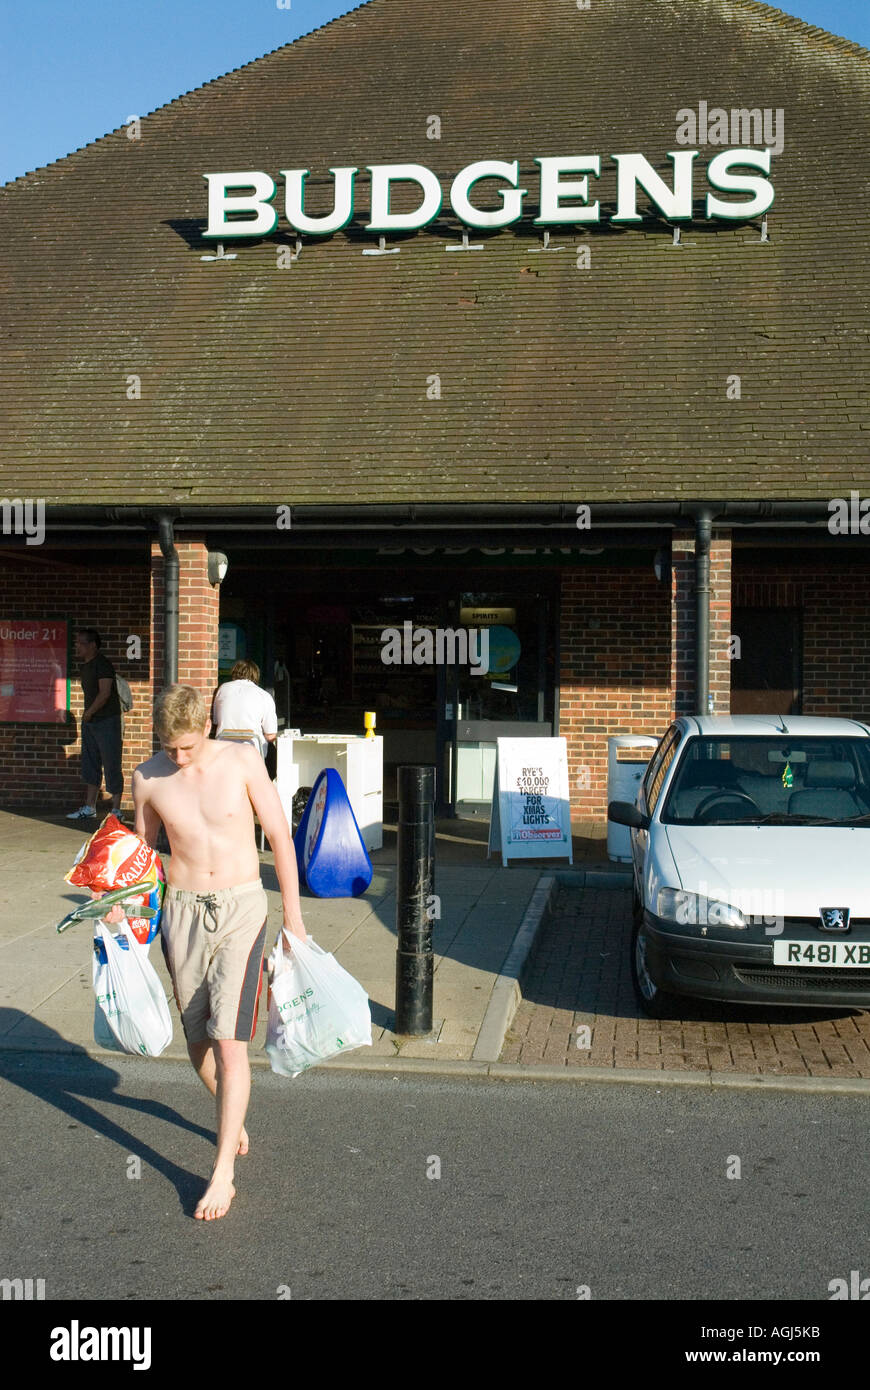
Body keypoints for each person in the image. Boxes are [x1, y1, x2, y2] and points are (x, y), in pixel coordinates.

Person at [131, 684, 306, 1222]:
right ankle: (232, 1114)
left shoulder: (243, 760)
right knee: (196, 1039)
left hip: (241, 911)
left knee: (231, 1042)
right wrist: (127, 916)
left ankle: (221, 1172)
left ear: (204, 728)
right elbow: (141, 854)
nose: (177, 758)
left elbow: (279, 836)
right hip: (182, 912)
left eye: (184, 747)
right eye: (167, 748)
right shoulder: (147, 777)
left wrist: (294, 920)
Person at [67, 628, 124, 820]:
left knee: (111, 762)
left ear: (92, 645)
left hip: (107, 721)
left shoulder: (102, 664)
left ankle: (116, 809)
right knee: (90, 763)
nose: (78, 646)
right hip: (90, 722)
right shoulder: (86, 665)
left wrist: (89, 713)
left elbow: (105, 692)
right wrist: (88, 717)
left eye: (81, 643)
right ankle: (89, 807)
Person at [211, 659, 278, 758]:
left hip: (224, 751)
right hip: (252, 752)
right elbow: (271, 735)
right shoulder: (264, 695)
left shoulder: (223, 688)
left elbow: (216, 721)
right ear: (256, 675)